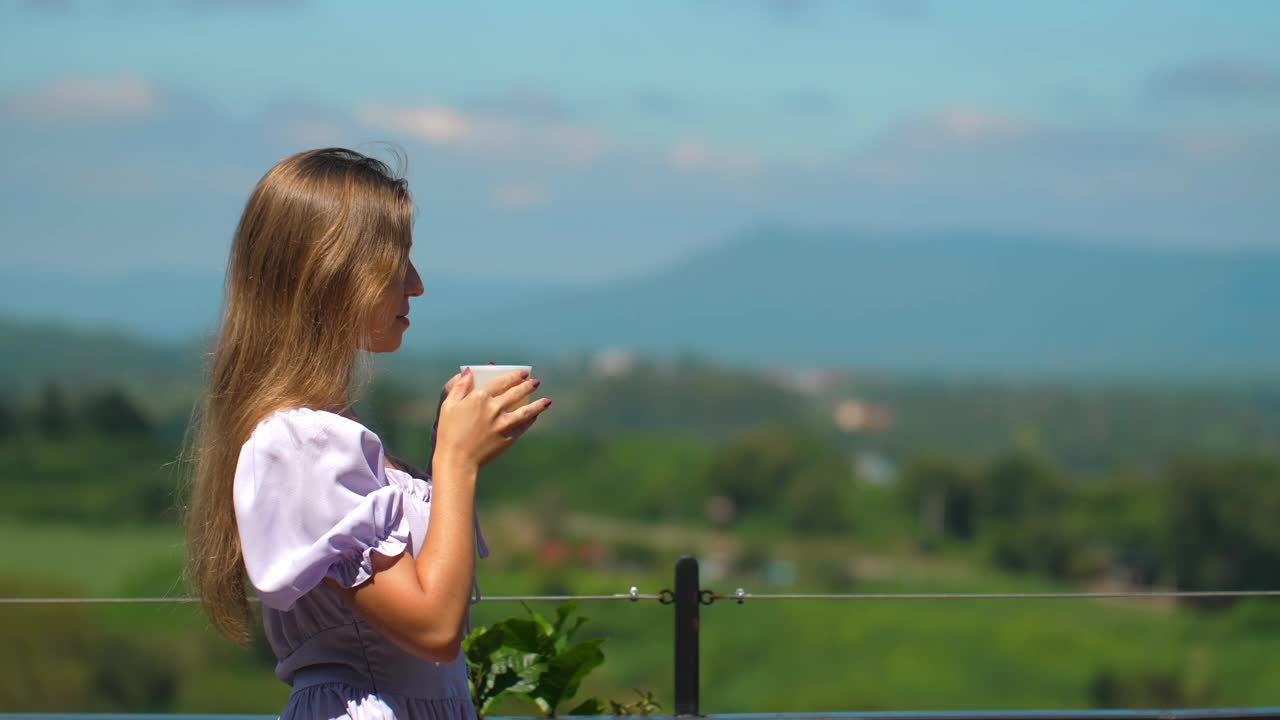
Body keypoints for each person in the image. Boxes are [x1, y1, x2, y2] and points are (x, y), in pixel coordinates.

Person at [184, 147, 551, 720]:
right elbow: (432, 629)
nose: (417, 284)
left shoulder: (322, 442)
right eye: (396, 261)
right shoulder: (300, 445)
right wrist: (456, 463)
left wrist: (447, 457)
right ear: (332, 275)